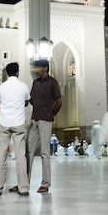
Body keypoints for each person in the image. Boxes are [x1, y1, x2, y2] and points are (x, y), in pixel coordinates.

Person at [0, 62, 31, 196]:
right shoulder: (23, 86)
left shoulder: (1, 87)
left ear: (7, 73)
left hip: (4, 123)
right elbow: (27, 101)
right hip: (19, 123)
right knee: (20, 155)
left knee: (1, 155)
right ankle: (24, 188)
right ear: (18, 72)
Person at [26, 59, 62, 193]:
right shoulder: (35, 83)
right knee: (28, 151)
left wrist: (50, 114)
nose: (35, 70)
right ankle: (25, 181)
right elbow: (32, 100)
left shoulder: (52, 83)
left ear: (45, 68)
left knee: (45, 152)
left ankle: (45, 183)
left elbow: (59, 102)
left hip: (45, 120)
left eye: (37, 68)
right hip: (34, 120)